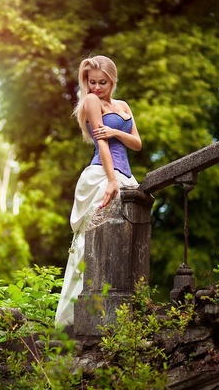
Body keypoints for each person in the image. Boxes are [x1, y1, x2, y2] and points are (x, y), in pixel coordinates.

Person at [55, 55, 142, 326]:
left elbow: (137, 143)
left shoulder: (123, 105)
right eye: (91, 82)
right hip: (102, 174)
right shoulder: (91, 102)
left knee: (125, 238)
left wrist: (116, 133)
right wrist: (111, 180)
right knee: (91, 241)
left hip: (125, 174)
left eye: (102, 82)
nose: (96, 88)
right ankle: (78, 316)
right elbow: (101, 144)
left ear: (112, 80)